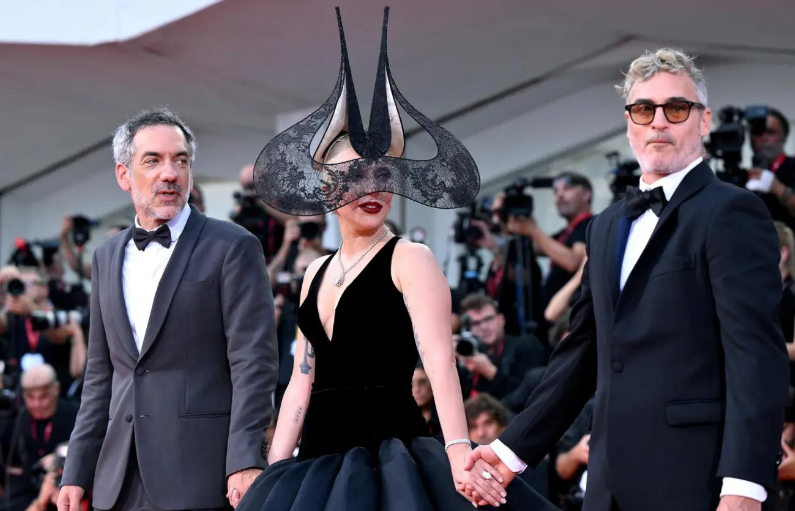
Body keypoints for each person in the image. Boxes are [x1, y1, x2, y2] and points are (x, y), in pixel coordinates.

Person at [235, 7, 556, 511]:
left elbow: (440, 361)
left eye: (383, 175)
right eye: (356, 175)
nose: (373, 188)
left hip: (391, 459)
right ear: (328, 188)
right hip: (315, 461)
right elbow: (301, 382)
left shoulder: (410, 258)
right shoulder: (314, 272)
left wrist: (457, 450)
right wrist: (274, 470)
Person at [466, 48, 790, 511]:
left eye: (675, 108)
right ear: (628, 123)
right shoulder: (604, 226)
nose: (658, 122)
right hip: (607, 485)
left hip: (697, 482)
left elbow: (755, 356)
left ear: (703, 121)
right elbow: (582, 352)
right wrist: (508, 451)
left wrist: (745, 484)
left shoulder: (732, 212)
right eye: (643, 109)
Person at [56, 108, 279, 511]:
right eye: (153, 161)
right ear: (124, 175)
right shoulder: (106, 256)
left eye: (181, 160)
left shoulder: (233, 247)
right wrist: (77, 471)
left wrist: (246, 458)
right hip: (117, 481)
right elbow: (100, 374)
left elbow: (253, 363)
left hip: (200, 476)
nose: (170, 173)